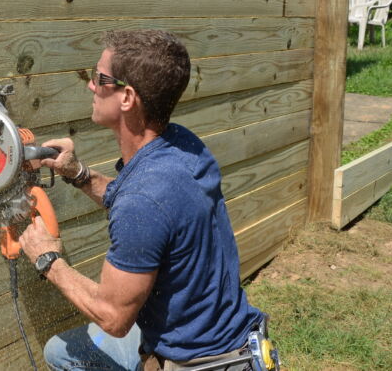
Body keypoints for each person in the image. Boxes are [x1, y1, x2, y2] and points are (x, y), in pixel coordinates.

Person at [19, 29, 275, 371]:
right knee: (61, 350)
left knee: (72, 351)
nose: (90, 86)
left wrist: (47, 259)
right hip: (231, 341)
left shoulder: (144, 199)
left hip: (200, 362)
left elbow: (114, 318)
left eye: (99, 78)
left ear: (127, 97)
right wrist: (78, 173)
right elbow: (153, 208)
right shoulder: (181, 144)